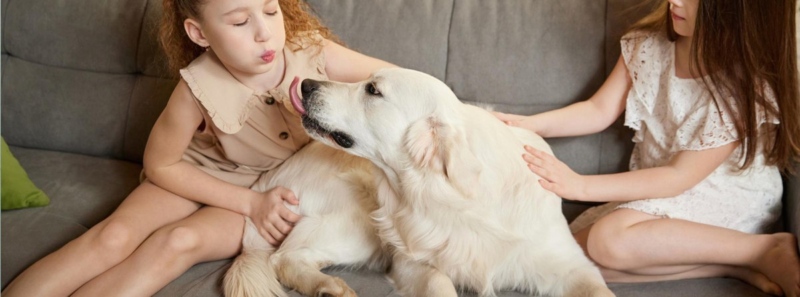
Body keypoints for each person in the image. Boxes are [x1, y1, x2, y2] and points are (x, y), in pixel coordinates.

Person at [2, 0, 395, 295]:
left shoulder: (313, 52)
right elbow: (162, 166)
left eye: (270, 11)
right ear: (200, 34)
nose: (264, 33)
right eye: (241, 21)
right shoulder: (195, 87)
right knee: (113, 238)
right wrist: (248, 204)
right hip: (193, 177)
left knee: (177, 242)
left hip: (269, 186)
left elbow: (393, 81)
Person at [494, 0, 800, 296]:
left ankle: (761, 249)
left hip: (724, 193)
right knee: (567, 258)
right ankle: (728, 264)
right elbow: (597, 110)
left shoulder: (745, 86)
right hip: (662, 187)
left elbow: (678, 176)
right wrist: (528, 124)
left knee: (606, 241)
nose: (673, 1)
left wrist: (579, 186)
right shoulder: (647, 47)